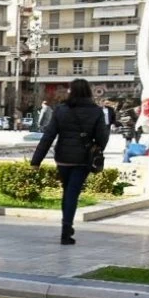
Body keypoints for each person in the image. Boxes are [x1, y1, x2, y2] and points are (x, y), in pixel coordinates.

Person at [31, 78, 108, 246]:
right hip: (83, 160)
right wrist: (96, 148)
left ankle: (67, 227)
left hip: (63, 158)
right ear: (88, 92)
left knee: (67, 192)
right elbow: (102, 137)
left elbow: (48, 136)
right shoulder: (96, 112)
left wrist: (36, 160)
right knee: (72, 193)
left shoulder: (61, 110)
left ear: (71, 92)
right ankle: (66, 229)